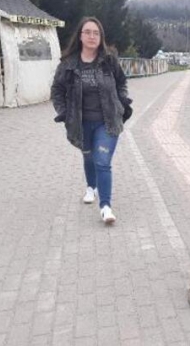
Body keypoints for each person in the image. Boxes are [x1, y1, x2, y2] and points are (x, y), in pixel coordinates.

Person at [51, 17, 132, 225]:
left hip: (108, 121)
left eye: (96, 33)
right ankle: (91, 187)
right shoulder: (68, 64)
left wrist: (122, 102)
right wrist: (63, 112)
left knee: (102, 162)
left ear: (101, 37)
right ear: (80, 36)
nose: (92, 36)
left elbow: (122, 82)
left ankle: (105, 207)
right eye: (87, 32)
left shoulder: (109, 60)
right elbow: (57, 90)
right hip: (80, 122)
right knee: (88, 157)